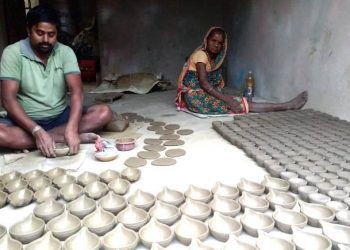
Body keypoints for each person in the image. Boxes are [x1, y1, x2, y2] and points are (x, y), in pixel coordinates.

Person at [0, 5, 113, 157]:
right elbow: (8, 99)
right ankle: (55, 137)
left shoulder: (65, 52)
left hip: (59, 117)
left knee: (103, 112)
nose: (46, 40)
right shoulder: (12, 53)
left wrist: (72, 128)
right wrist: (36, 130)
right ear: (29, 30)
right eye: (39, 33)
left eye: (51, 34)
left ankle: (49, 138)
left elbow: (77, 93)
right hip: (25, 122)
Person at [176, 26, 308, 114]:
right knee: (242, 104)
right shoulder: (201, 55)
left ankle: (285, 105)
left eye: (220, 43)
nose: (216, 45)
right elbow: (204, 83)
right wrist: (227, 99)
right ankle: (287, 106)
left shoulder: (213, 58)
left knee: (240, 100)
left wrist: (227, 97)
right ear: (207, 40)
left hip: (202, 93)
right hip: (196, 97)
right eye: (213, 40)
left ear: (223, 45)